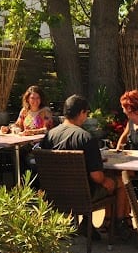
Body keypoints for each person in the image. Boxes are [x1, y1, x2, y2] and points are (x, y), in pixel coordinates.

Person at [39, 94, 132, 239]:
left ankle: (87, 224)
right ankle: (119, 224)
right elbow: (97, 176)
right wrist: (106, 180)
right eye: (86, 113)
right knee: (121, 181)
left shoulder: (49, 136)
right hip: (84, 195)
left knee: (97, 181)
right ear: (82, 113)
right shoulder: (85, 138)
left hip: (55, 193)